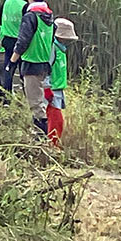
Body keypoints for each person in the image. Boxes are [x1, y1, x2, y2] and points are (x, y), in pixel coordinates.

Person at [6, 0, 55, 134]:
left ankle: (41, 141)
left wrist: (12, 61)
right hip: (44, 64)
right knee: (39, 100)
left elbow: (23, 41)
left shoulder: (31, 16)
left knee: (36, 104)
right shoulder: (49, 16)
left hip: (31, 63)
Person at [44, 18, 78, 146]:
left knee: (56, 121)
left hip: (58, 90)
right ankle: (52, 146)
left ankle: (53, 144)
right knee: (55, 120)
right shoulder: (52, 49)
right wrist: (47, 88)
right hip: (51, 90)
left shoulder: (61, 50)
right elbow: (45, 69)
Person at [0, 0, 29, 92]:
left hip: (7, 40)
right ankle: (25, 94)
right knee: (23, 69)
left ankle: (7, 95)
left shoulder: (7, 1)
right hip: (20, 41)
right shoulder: (25, 5)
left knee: (8, 68)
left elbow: (0, 20)